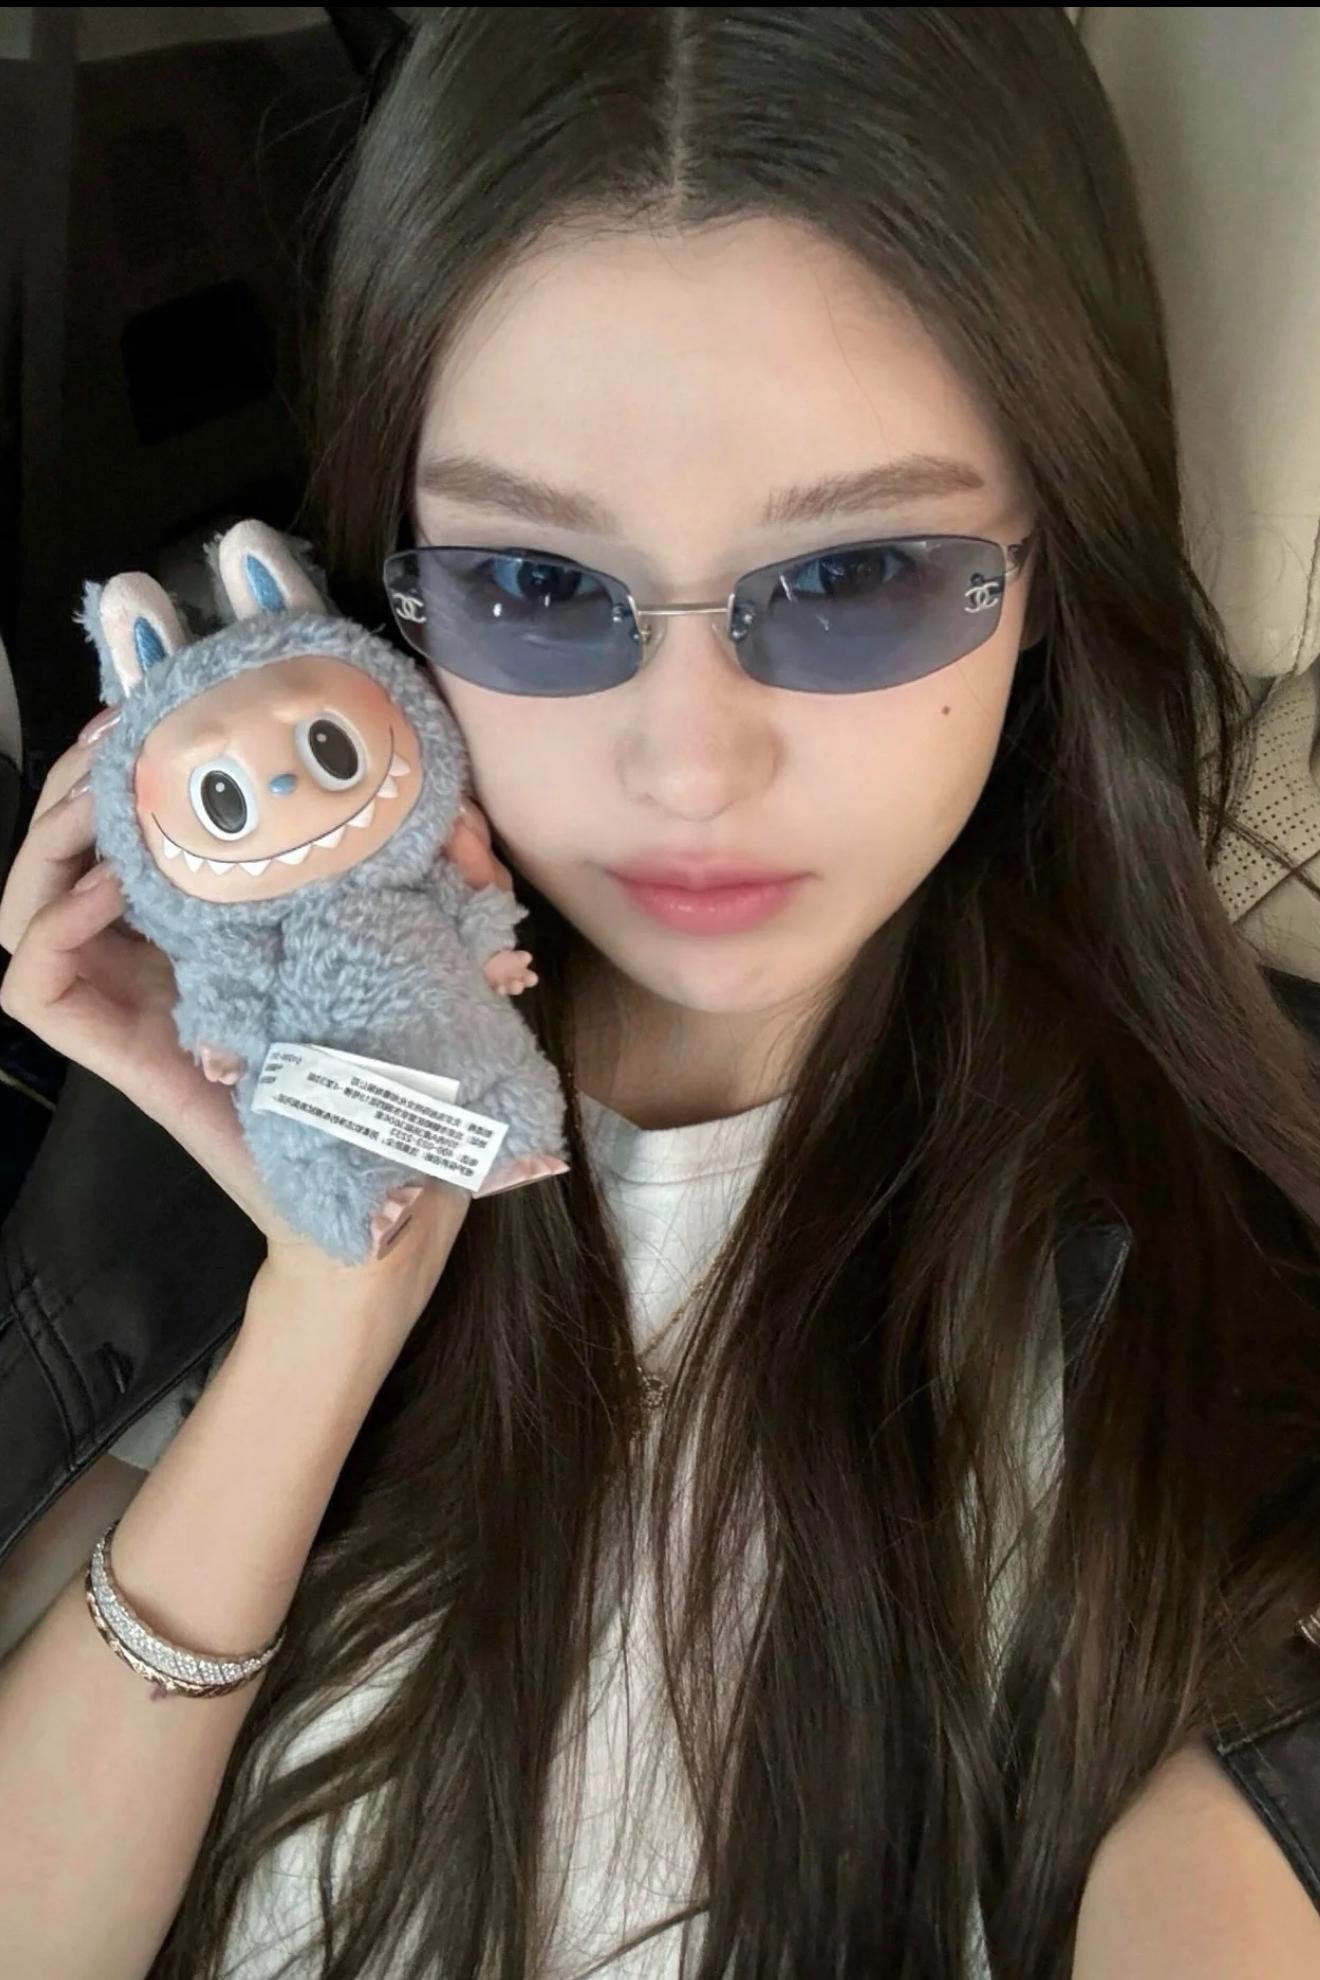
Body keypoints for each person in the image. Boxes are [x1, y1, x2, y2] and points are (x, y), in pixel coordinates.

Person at [3, 9, 1320, 1976]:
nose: (690, 764)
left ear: (1051, 563)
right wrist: (331, 1302)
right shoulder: (210, 1106)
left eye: (858, 577)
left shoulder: (1236, 1267)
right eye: (541, 589)